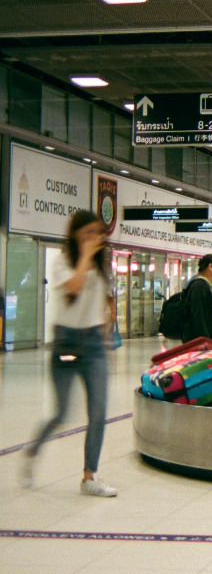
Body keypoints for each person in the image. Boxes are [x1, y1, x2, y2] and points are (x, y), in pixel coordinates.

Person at [22, 211, 117, 497]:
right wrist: (86, 255)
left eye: (97, 234)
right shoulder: (62, 262)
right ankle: (33, 452)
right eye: (88, 233)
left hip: (93, 347)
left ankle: (89, 477)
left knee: (98, 412)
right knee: (61, 413)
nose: (94, 239)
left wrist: (105, 334)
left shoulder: (101, 267)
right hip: (66, 345)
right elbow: (75, 286)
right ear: (75, 234)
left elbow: (103, 302)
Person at [181, 254, 212, 343]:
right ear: (210, 266)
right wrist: (204, 340)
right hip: (198, 342)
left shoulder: (209, 285)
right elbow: (198, 316)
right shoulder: (199, 286)